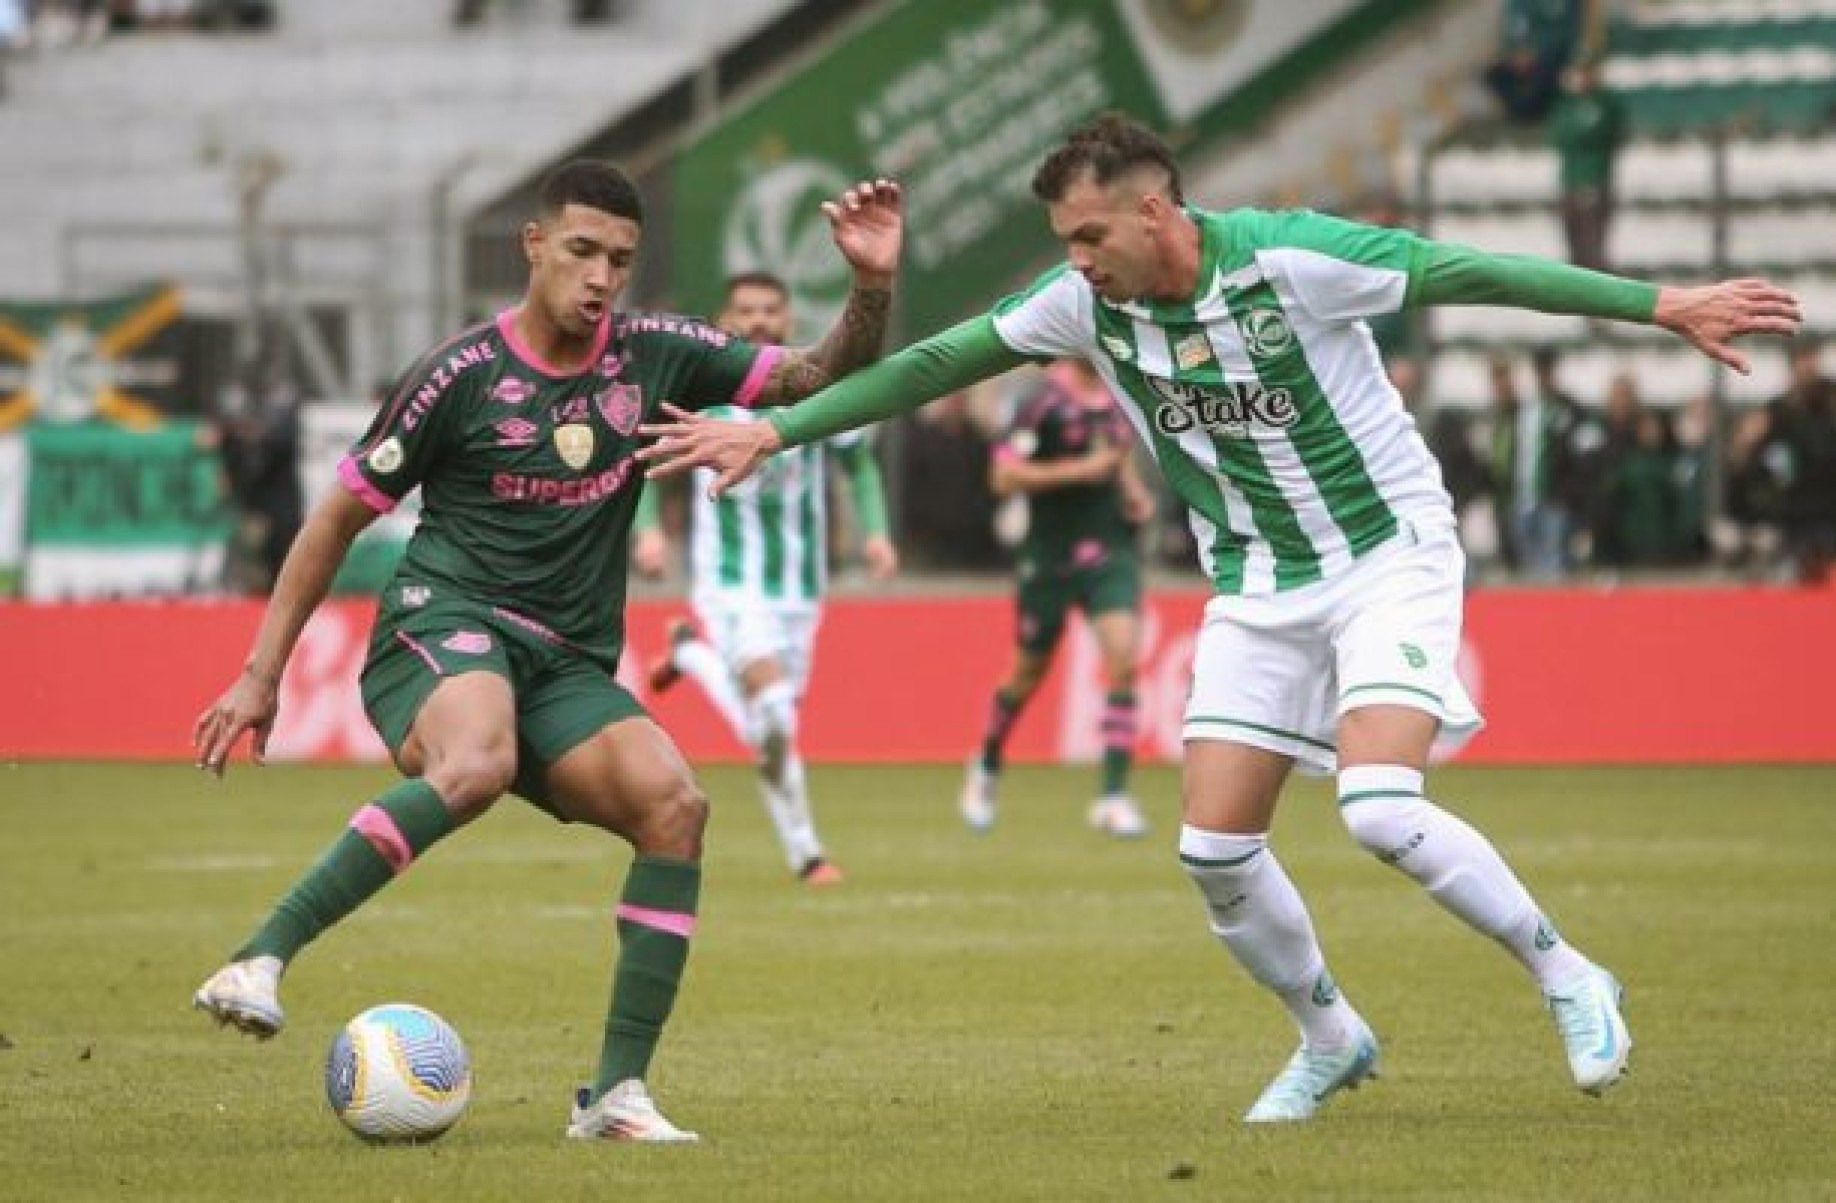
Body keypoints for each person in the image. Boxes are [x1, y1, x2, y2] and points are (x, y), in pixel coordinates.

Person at [638, 113, 1800, 1124]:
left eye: (1091, 236)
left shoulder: (1294, 259)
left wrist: (1660, 303)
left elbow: (1469, 272)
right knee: (1214, 851)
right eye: (1065, 245)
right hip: (1255, 581)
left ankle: (1569, 974)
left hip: (1388, 555)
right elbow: (934, 365)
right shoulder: (1082, 308)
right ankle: (1332, 1036)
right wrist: (776, 428)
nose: (1076, 262)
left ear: (1156, 212)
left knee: (1381, 809)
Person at [189, 159, 903, 1143]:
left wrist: (871, 284)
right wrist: (261, 674)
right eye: (580, 250)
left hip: (563, 665)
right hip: (438, 628)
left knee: (676, 808)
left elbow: (817, 374)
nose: (600, 275)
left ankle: (615, 1097)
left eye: (619, 258)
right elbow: (333, 521)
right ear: (534, 246)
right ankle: (258, 959)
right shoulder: (457, 375)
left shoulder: (655, 351)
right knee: (476, 761)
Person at [632, 270, 898, 886]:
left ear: (787, 319)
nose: (757, 321)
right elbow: (650, 456)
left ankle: (691, 656)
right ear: (725, 321)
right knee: (773, 713)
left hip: (801, 591)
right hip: (729, 584)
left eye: (769, 311)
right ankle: (807, 854)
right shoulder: (700, 393)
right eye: (745, 311)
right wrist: (647, 531)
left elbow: (857, 464)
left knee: (772, 730)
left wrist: (877, 532)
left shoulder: (817, 390)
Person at [959, 357, 1154, 838]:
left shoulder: (1120, 387)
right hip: (1048, 556)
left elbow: (1118, 453)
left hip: (1110, 549)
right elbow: (1002, 477)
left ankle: (1112, 796)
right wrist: (1080, 470)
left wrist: (1132, 490)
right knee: (1027, 673)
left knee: (1123, 659)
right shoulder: (1038, 401)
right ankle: (986, 763)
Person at [1546, 58, 1623, 273]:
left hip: (1595, 179)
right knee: (1573, 245)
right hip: (1570, 180)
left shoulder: (1605, 104)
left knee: (1594, 246)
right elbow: (1561, 137)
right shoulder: (1565, 105)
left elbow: (1605, 135)